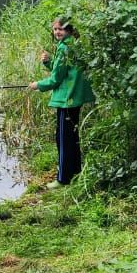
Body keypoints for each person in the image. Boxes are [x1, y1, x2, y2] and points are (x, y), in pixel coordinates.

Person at [29, 17, 95, 188]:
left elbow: (56, 79)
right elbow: (64, 71)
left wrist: (38, 85)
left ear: (69, 30)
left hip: (68, 99)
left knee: (64, 139)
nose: (57, 32)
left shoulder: (64, 48)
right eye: (55, 29)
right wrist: (48, 62)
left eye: (61, 29)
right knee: (71, 137)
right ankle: (75, 172)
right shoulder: (73, 44)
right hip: (73, 98)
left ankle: (63, 179)